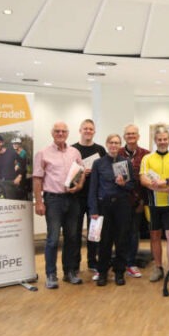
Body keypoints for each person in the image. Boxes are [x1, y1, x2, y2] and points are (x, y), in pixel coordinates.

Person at [32, 122, 85, 289]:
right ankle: (51, 274)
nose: (60, 133)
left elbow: (81, 171)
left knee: (72, 237)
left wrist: (80, 185)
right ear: (52, 133)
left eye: (63, 131)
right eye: (57, 131)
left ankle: (69, 272)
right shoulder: (43, 153)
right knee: (53, 239)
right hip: (53, 200)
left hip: (72, 199)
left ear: (68, 134)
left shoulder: (74, 152)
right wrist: (39, 202)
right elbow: (37, 178)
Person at [140, 124, 169, 284]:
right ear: (155, 140)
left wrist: (166, 181)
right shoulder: (147, 158)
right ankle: (158, 267)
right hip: (152, 204)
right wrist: (162, 187)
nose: (162, 142)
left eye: (165, 139)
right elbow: (143, 179)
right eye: (159, 139)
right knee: (154, 236)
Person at [88, 134, 136, 287]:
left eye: (116, 143)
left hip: (122, 205)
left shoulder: (126, 162)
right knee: (104, 241)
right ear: (107, 144)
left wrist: (123, 184)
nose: (114, 145)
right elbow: (93, 188)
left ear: (120, 145)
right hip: (104, 206)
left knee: (122, 240)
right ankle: (102, 272)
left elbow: (132, 186)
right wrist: (93, 209)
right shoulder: (98, 163)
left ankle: (119, 272)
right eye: (111, 143)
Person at [71, 119, 107, 280]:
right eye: (85, 128)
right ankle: (75, 264)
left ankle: (93, 262)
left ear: (94, 131)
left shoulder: (100, 149)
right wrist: (81, 173)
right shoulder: (72, 149)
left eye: (91, 129)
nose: (88, 131)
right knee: (75, 232)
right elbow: (67, 174)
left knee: (94, 232)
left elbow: (106, 171)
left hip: (95, 198)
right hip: (76, 197)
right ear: (80, 130)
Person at [119, 124, 150, 279]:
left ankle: (131, 263)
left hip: (137, 201)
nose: (131, 136)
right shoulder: (116, 153)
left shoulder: (146, 155)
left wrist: (143, 201)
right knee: (119, 233)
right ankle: (120, 262)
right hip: (119, 202)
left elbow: (149, 180)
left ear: (138, 136)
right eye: (128, 134)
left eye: (134, 134)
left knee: (133, 233)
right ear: (124, 136)